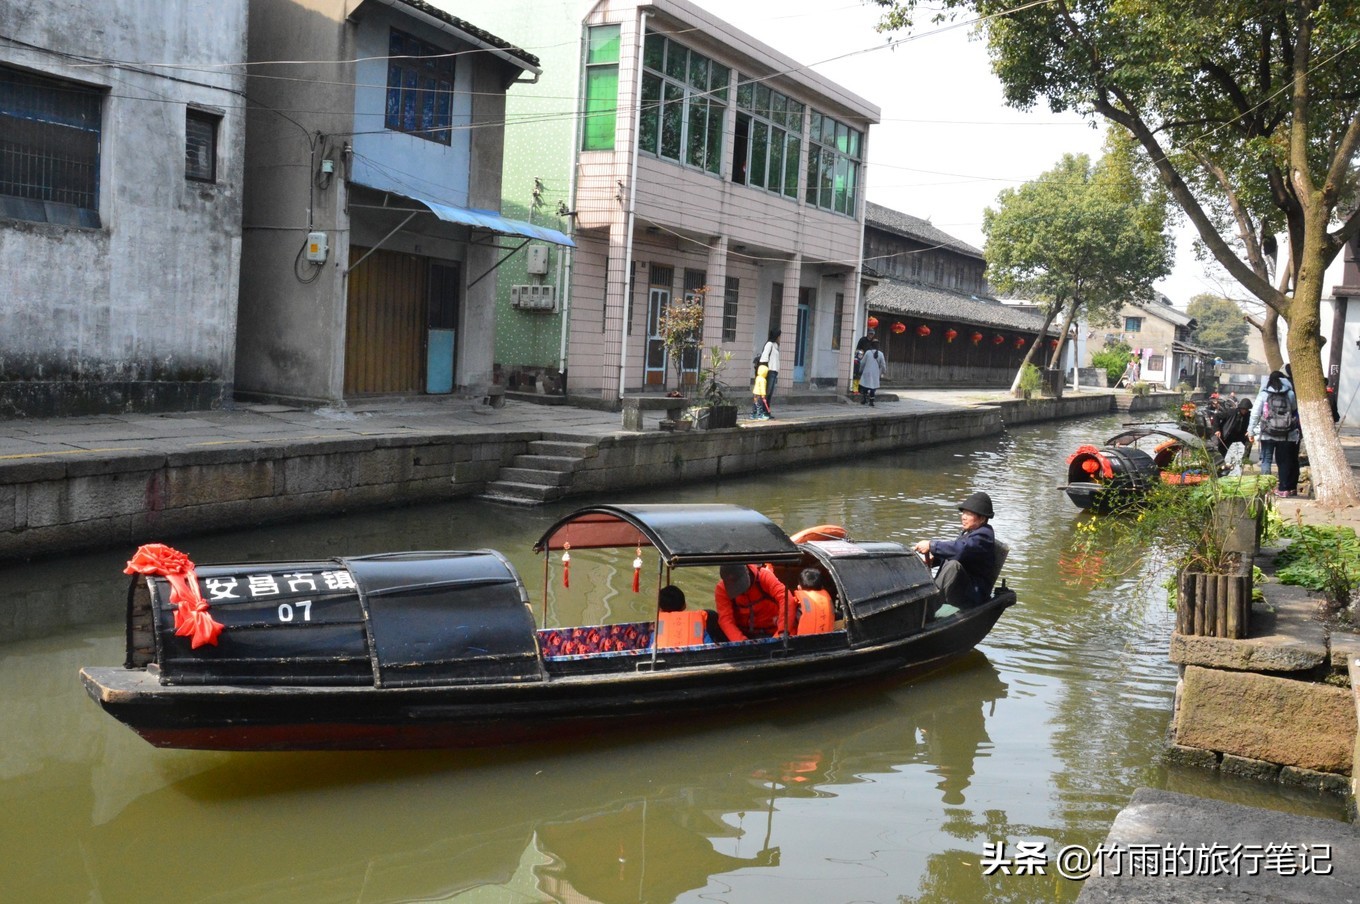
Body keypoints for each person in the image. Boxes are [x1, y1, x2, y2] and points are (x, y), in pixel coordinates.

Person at [913, 492, 997, 613]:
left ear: (982, 518)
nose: (963, 517)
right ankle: (923, 601)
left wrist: (931, 545)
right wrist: (934, 559)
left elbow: (961, 550)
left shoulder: (984, 535)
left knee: (953, 566)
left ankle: (927, 609)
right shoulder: (969, 533)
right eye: (963, 513)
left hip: (974, 595)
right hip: (964, 589)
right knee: (949, 563)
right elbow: (958, 553)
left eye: (969, 514)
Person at [1248, 370, 1300, 496]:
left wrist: (1251, 431)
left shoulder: (1264, 394)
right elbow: (1294, 410)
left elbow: (1255, 414)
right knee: (1284, 462)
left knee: (1266, 460)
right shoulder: (1290, 393)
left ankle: (1266, 489)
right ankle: (1283, 489)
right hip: (1286, 434)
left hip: (1267, 433)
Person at [714, 562, 792, 642]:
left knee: (792, 621)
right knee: (710, 617)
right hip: (742, 633)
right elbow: (726, 620)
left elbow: (786, 597)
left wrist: (782, 633)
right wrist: (743, 643)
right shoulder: (722, 589)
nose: (741, 591)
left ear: (747, 572)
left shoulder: (764, 576)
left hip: (771, 631)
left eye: (741, 585)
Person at [793, 568, 834, 635]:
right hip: (828, 639)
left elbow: (792, 622)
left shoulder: (801, 606)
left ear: (799, 587)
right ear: (821, 587)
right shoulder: (828, 600)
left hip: (804, 640)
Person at [858, 339, 886, 406]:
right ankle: (871, 401)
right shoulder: (881, 354)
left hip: (867, 373)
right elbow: (883, 365)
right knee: (873, 387)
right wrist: (884, 372)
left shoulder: (868, 352)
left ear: (871, 345)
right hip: (875, 373)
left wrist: (860, 370)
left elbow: (862, 363)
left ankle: (864, 399)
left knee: (865, 386)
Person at [757, 329, 781, 406]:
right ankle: (761, 409)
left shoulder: (775, 346)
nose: (780, 338)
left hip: (774, 372)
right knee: (766, 391)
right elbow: (764, 358)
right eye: (779, 336)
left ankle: (767, 409)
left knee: (770, 393)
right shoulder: (769, 344)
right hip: (769, 371)